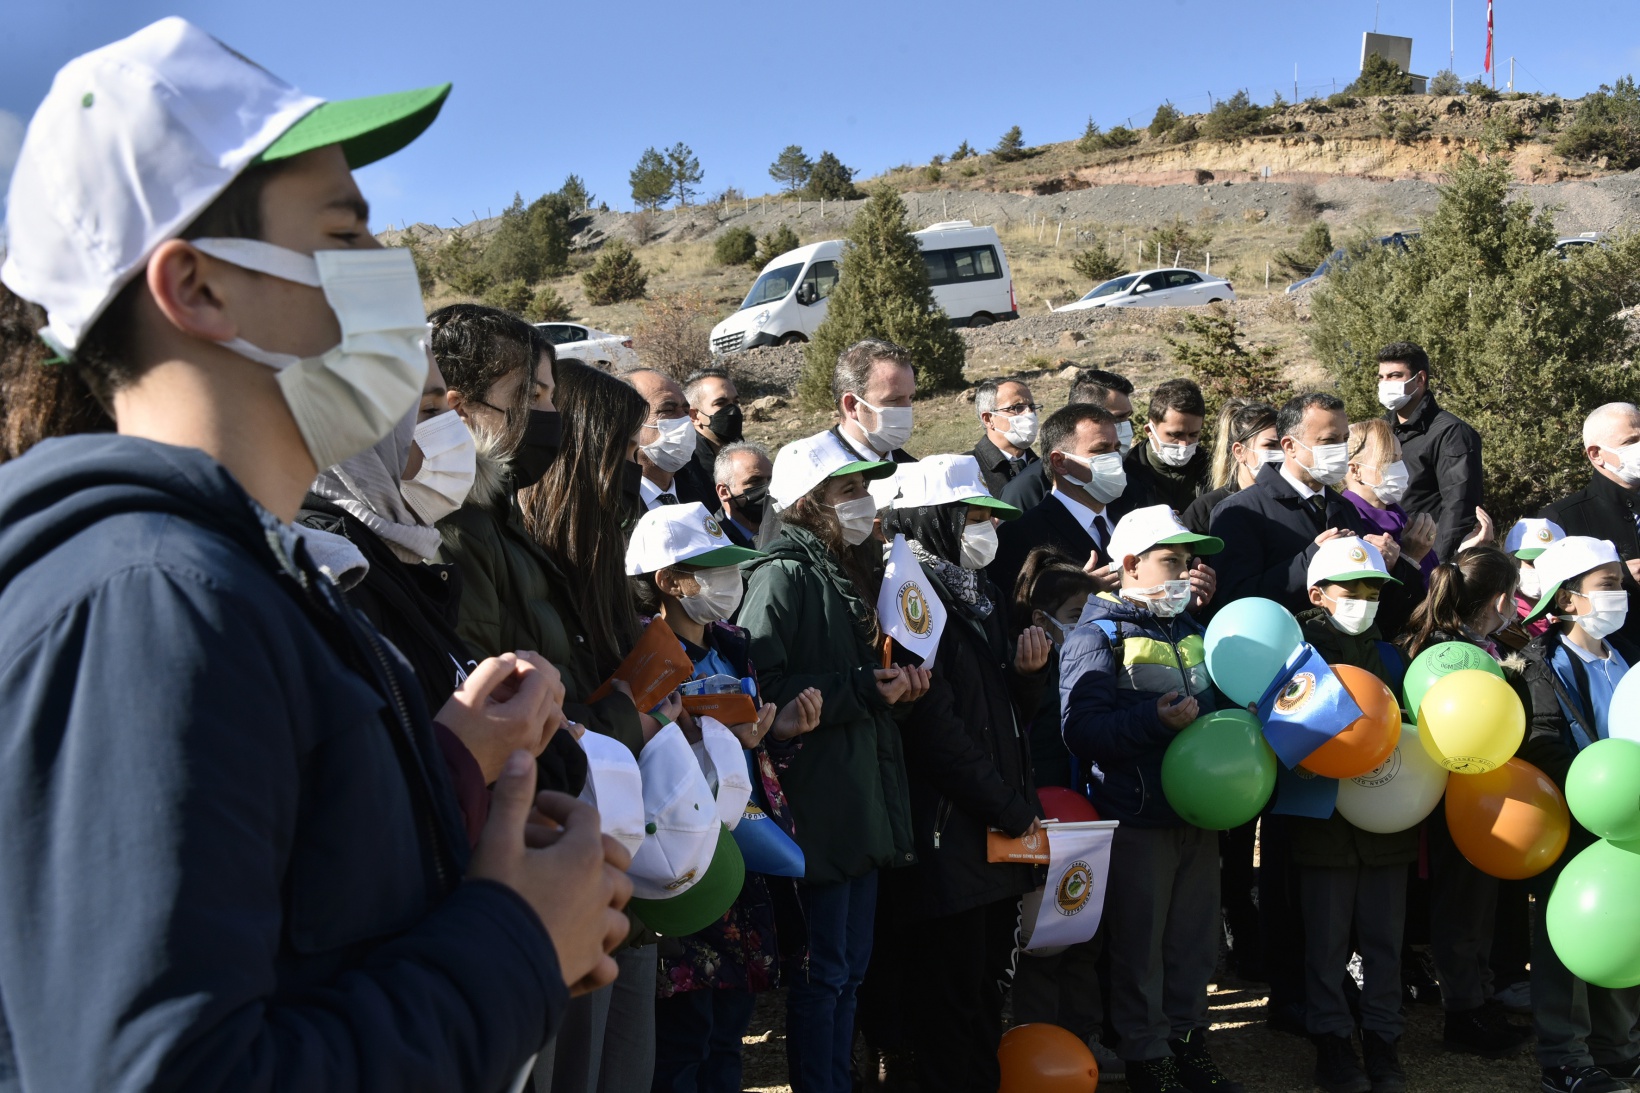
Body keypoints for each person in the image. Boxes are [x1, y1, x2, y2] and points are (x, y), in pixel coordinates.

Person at [0, 19, 632, 1088]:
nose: (390, 278)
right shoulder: (151, 602)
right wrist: (513, 943)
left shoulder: (247, 576)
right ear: (195, 286)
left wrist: (445, 782)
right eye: (342, 239)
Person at [737, 431, 931, 1093]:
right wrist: (857, 690)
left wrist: (893, 694)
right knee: (822, 976)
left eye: (864, 488)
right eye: (849, 489)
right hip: (817, 803)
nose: (864, 501)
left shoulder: (848, 566)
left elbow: (855, 682)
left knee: (850, 968)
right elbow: (756, 686)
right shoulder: (782, 573)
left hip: (858, 797)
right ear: (808, 500)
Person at [624, 502, 823, 1093]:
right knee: (682, 1041)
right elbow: (635, 761)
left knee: (727, 1033)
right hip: (681, 864)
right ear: (668, 581)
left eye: (733, 566)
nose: (728, 582)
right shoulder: (640, 654)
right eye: (712, 569)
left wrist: (777, 734)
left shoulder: (734, 644)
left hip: (742, 864)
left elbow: (757, 760)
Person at [876, 455, 1048, 1093]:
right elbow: (933, 729)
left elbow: (992, 714)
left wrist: (1027, 683)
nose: (987, 529)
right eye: (973, 516)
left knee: (982, 996)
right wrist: (1008, 807)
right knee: (947, 1008)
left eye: (989, 516)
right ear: (934, 519)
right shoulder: (909, 593)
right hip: (950, 836)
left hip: (989, 835)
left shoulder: (979, 596)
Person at [1060, 505, 1240, 1093]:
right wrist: (1152, 722)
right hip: (1135, 815)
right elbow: (1080, 729)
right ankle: (1147, 1057)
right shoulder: (1095, 634)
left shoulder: (1189, 628)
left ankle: (1188, 1044)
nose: (1186, 574)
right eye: (1172, 561)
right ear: (1131, 564)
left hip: (1200, 815)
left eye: (1189, 563)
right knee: (1141, 947)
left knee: (1193, 942)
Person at [1398, 547, 1535, 1059]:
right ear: (1501, 599)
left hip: (1479, 798)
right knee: (1462, 910)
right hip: (1456, 802)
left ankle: (1478, 1000)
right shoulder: (1453, 655)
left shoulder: (1469, 646)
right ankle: (1464, 1012)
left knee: (1477, 909)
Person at [1516, 535, 1640, 1093]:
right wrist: (1593, 786)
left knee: (1622, 932)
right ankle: (1564, 1057)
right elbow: (1542, 742)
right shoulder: (1544, 665)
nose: (1621, 594)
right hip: (1571, 825)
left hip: (1626, 826)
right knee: (1565, 941)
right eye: (1608, 585)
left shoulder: (1625, 658)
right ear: (1567, 600)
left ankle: (1620, 1050)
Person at [1292, 538, 1414, 1093]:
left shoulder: (1392, 656)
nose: (1364, 602)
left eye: (1374, 593)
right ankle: (1333, 1042)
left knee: (1386, 939)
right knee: (1326, 939)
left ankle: (1383, 1040)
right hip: (1322, 823)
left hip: (1388, 819)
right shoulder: (1298, 654)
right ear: (1318, 595)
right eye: (1352, 591)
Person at [1008, 548, 1123, 1081]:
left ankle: (1085, 1037)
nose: (1087, 627)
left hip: (1091, 824)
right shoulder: (1025, 674)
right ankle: (1036, 1042)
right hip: (1043, 823)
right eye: (1077, 616)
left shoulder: (1095, 665)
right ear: (1041, 620)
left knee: (1086, 933)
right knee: (1042, 940)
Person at [1210, 393, 1420, 626]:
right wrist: (1310, 561)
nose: (1340, 449)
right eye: (1329, 441)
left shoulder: (1343, 508)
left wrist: (1392, 568)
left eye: (1344, 439)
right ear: (1290, 446)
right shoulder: (1240, 511)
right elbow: (1235, 602)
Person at [989, 402, 1132, 600]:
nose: (1115, 458)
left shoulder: (1130, 520)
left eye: (1116, 448)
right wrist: (1079, 590)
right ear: (1060, 462)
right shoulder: (1021, 535)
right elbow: (1015, 611)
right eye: (1101, 450)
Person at [1541, 402, 1640, 646]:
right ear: (1596, 454)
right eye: (1631, 442)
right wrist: (1621, 577)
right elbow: (1550, 601)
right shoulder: (1561, 518)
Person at [1378, 341, 1484, 560]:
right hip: (1387, 556)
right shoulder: (1382, 430)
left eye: (1395, 376)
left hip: (1426, 558)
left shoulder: (1451, 433)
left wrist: (1437, 567)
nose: (1386, 383)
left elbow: (1458, 506)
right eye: (1382, 377)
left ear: (1420, 379)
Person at [1003, 368, 1134, 512]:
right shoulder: (1028, 488)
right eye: (1117, 418)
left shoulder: (1131, 476)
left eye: (1128, 417)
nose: (1125, 426)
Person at [1341, 417, 1441, 586]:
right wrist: (1409, 558)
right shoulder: (1348, 524)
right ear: (1355, 470)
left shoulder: (1399, 518)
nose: (1400, 467)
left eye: (1400, 458)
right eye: (1389, 460)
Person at [1181, 399, 1281, 536]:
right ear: (1239, 451)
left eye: (1284, 445)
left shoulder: (1297, 502)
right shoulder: (1206, 509)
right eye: (1270, 445)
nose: (1281, 453)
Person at [629, 368, 716, 509]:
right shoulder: (607, 506)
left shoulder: (700, 495)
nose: (684, 421)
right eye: (668, 410)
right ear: (628, 421)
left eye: (686, 411)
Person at [1124, 378, 1211, 513]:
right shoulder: (1126, 472)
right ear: (1150, 431)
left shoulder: (1212, 469)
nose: (1184, 444)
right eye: (1175, 435)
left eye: (1193, 435)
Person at [827, 338, 918, 464]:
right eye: (894, 399)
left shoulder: (914, 471)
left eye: (910, 398)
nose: (907, 410)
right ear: (852, 405)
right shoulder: (820, 475)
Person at [970, 376, 1041, 497]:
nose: (1029, 414)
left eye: (1032, 407)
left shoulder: (1045, 468)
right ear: (988, 419)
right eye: (1017, 408)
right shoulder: (970, 470)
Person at [1504, 517, 1567, 639]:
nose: (1540, 570)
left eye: (1550, 563)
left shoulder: (1571, 611)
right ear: (1512, 563)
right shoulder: (1503, 618)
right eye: (1532, 562)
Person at [684, 367, 743, 490]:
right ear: (694, 416)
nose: (733, 411)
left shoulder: (745, 451)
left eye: (736, 402)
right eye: (720, 403)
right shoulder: (686, 469)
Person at [712, 440, 772, 548]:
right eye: (754, 481)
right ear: (724, 492)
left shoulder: (790, 528)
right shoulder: (712, 543)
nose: (768, 488)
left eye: (771, 480)